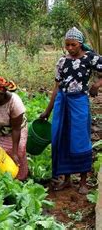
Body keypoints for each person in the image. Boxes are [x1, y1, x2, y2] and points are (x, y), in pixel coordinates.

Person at [40, 27, 101, 195]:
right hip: (62, 102)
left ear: (80, 44)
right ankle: (66, 180)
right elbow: (56, 87)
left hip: (79, 101)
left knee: (80, 139)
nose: (70, 48)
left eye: (73, 45)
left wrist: (96, 84)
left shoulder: (90, 58)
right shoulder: (62, 61)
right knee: (62, 138)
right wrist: (48, 111)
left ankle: (82, 180)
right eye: (67, 45)